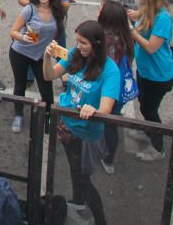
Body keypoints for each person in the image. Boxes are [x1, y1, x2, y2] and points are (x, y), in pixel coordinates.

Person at [43, 21, 119, 225]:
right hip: (66, 125)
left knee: (84, 180)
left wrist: (93, 110)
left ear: (97, 44)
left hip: (86, 133)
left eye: (83, 42)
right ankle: (77, 201)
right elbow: (49, 75)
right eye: (77, 41)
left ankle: (100, 220)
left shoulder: (110, 70)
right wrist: (47, 57)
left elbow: (106, 109)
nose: (78, 46)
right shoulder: (75, 53)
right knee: (74, 170)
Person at [8, 0, 64, 133]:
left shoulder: (57, 10)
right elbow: (12, 32)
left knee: (47, 89)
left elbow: (56, 36)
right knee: (20, 86)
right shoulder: (30, 9)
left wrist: (57, 51)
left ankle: (47, 117)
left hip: (40, 57)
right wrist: (23, 37)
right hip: (20, 52)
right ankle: (18, 115)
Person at [128, 0, 173, 162]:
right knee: (144, 103)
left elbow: (150, 47)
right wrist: (135, 16)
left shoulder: (163, 18)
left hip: (158, 75)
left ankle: (158, 147)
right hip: (145, 71)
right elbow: (142, 19)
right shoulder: (147, 10)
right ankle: (147, 131)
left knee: (150, 110)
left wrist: (131, 30)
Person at [96, 2, 136, 175]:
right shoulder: (126, 36)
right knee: (112, 120)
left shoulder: (105, 40)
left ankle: (107, 157)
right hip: (120, 88)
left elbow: (98, 66)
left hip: (106, 89)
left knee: (107, 124)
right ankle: (109, 156)